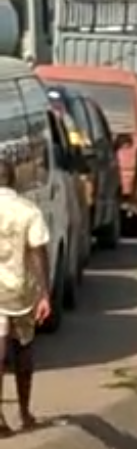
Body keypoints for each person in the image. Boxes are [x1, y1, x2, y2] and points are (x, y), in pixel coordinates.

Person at [0, 154, 51, 434]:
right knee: (23, 348)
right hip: (20, 291)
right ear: (14, 180)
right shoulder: (28, 210)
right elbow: (38, 252)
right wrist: (45, 293)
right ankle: (23, 412)